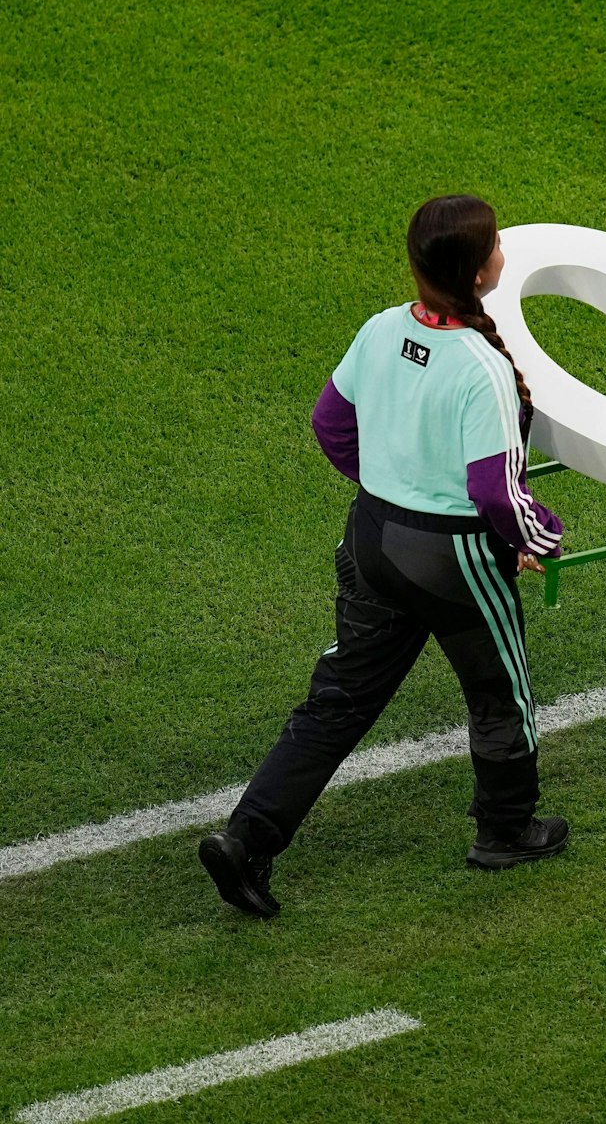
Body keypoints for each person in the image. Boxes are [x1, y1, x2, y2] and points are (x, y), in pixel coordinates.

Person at [200, 195, 569, 918]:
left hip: (372, 539)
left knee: (338, 701)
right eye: (494, 245)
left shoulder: (379, 332)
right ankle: (505, 830)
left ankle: (247, 838)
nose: (502, 253)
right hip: (452, 559)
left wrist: (388, 484)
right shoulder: (481, 366)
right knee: (501, 691)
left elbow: (329, 424)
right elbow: (493, 492)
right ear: (478, 271)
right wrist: (540, 535)